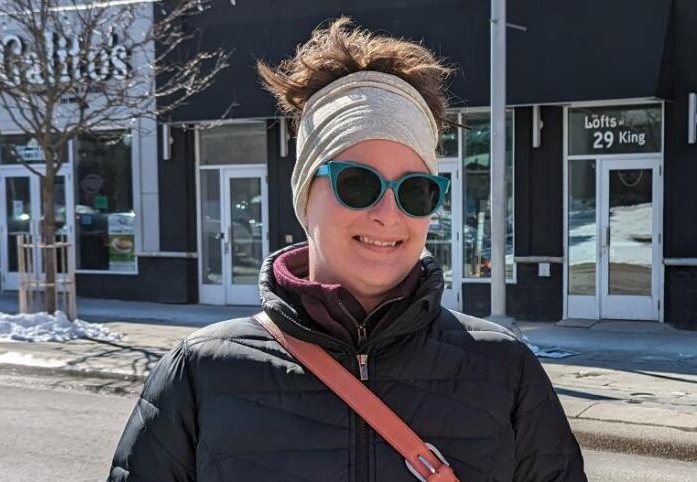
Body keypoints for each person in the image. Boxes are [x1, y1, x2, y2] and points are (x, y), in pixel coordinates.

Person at [108, 17, 586, 482]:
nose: (387, 213)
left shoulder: (505, 370)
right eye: (358, 183)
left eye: (415, 189)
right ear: (304, 193)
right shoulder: (200, 372)